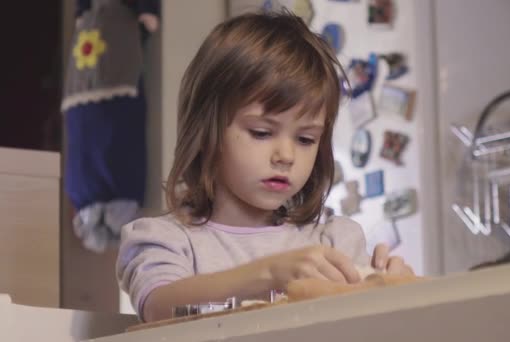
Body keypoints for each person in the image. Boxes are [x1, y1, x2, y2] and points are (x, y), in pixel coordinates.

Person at [116, 10, 415, 323]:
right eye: (261, 132)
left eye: (305, 139)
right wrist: (270, 273)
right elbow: (159, 308)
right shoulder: (168, 241)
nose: (285, 155)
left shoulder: (336, 242)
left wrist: (393, 291)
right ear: (207, 132)